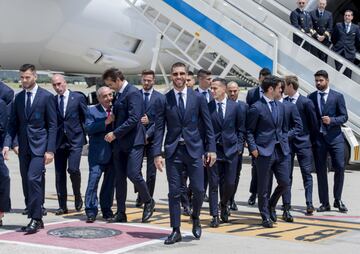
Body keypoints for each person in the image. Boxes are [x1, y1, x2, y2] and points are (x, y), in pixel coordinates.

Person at [153, 62, 216, 244]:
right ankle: (175, 230)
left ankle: (195, 216)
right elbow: (159, 129)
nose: (178, 77)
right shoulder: (164, 100)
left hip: (195, 150)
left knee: (198, 190)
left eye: (182, 74)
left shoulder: (198, 98)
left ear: (188, 76)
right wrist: (157, 153)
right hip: (174, 151)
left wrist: (211, 149)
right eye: (175, 74)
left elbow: (208, 126)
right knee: (174, 192)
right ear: (171, 77)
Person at [3, 64, 57, 234]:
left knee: (34, 179)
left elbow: (53, 126)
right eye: (22, 77)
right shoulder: (18, 98)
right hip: (23, 148)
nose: (24, 80)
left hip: (40, 147)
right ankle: (37, 215)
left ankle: (35, 218)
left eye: (27, 77)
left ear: (35, 77)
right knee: (27, 182)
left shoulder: (47, 97)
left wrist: (50, 150)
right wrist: (9, 144)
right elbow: (13, 125)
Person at [103, 68, 155, 223]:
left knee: (133, 174)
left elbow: (134, 119)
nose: (111, 88)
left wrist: (115, 133)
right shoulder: (119, 94)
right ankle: (121, 212)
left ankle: (148, 201)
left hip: (133, 142)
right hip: (120, 144)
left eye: (111, 84)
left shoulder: (133, 93)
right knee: (119, 179)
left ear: (118, 79)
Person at [246, 76, 297, 228]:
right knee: (263, 186)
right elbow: (249, 130)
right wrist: (253, 148)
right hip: (263, 151)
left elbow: (282, 128)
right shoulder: (256, 107)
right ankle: (265, 216)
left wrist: (283, 139)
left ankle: (271, 204)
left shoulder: (280, 106)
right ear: (270, 89)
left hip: (280, 151)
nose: (281, 90)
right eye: (279, 88)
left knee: (285, 182)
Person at [308, 70, 349, 213]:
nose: (318, 83)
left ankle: (338, 199)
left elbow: (344, 117)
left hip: (335, 138)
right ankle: (324, 202)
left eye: (321, 80)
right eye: (316, 81)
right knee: (320, 171)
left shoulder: (337, 97)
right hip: (319, 140)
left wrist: (332, 120)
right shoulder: (311, 97)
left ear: (327, 80)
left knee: (340, 167)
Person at [207, 78, 245, 228]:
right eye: (211, 88)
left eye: (215, 88)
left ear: (223, 89)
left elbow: (241, 128)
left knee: (230, 183)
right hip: (214, 151)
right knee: (214, 184)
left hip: (231, 150)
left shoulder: (235, 107)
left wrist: (239, 146)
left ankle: (224, 204)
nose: (212, 91)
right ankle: (214, 215)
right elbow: (204, 130)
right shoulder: (208, 107)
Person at [52, 74, 87, 215]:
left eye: (59, 84)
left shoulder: (77, 98)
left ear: (65, 83)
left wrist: (86, 135)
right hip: (59, 142)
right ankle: (62, 205)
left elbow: (85, 117)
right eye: (54, 85)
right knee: (59, 174)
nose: (57, 87)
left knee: (73, 169)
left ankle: (77, 195)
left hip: (75, 140)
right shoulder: (53, 100)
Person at [283, 76, 317, 216]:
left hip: (303, 143)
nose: (282, 88)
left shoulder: (306, 102)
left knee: (306, 173)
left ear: (290, 86)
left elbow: (313, 124)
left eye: (284, 85)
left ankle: (309, 203)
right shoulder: (283, 102)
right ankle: (287, 203)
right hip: (288, 144)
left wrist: (311, 141)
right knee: (286, 174)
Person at [84, 86, 115, 222]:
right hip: (97, 154)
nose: (109, 98)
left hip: (113, 154)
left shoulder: (116, 109)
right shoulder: (91, 111)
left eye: (110, 95)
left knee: (109, 184)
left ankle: (107, 209)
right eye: (105, 96)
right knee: (93, 181)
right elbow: (88, 128)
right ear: (99, 98)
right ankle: (91, 210)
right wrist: (106, 122)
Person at [135, 70, 165, 208]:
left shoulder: (160, 98)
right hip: (137, 139)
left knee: (151, 173)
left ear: (154, 81)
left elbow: (161, 121)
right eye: (144, 80)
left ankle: (148, 199)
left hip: (153, 140)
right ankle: (141, 193)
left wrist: (148, 131)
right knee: (136, 170)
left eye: (149, 80)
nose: (146, 82)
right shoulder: (135, 96)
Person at [246, 67, 271, 206]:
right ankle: (253, 192)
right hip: (255, 136)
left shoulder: (272, 93)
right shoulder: (252, 93)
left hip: (267, 136)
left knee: (266, 169)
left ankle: (263, 194)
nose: (265, 80)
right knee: (255, 167)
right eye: (263, 77)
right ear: (259, 78)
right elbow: (248, 115)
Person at [226, 81, 248, 211]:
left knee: (235, 175)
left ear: (238, 91)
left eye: (235, 91)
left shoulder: (244, 106)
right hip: (223, 147)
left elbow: (245, 128)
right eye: (230, 91)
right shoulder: (221, 105)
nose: (233, 93)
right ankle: (224, 200)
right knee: (224, 177)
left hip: (237, 148)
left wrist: (241, 146)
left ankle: (231, 199)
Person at [195, 69, 213, 202]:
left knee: (207, 166)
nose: (211, 81)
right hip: (196, 137)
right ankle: (194, 190)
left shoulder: (213, 95)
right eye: (208, 79)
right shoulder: (192, 95)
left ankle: (203, 190)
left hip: (210, 137)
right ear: (200, 79)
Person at [332, 10, 360, 78]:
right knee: (338, 72)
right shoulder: (338, 25)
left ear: (352, 17)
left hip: (350, 54)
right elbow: (334, 38)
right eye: (345, 15)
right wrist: (338, 45)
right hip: (338, 52)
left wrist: (352, 48)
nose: (347, 17)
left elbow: (358, 41)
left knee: (348, 74)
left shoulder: (356, 28)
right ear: (344, 16)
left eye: (349, 15)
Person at [0, 98, 10, 226]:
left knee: (4, 177)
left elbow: (3, 128)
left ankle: (1, 210)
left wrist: (6, 147)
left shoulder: (1, 104)